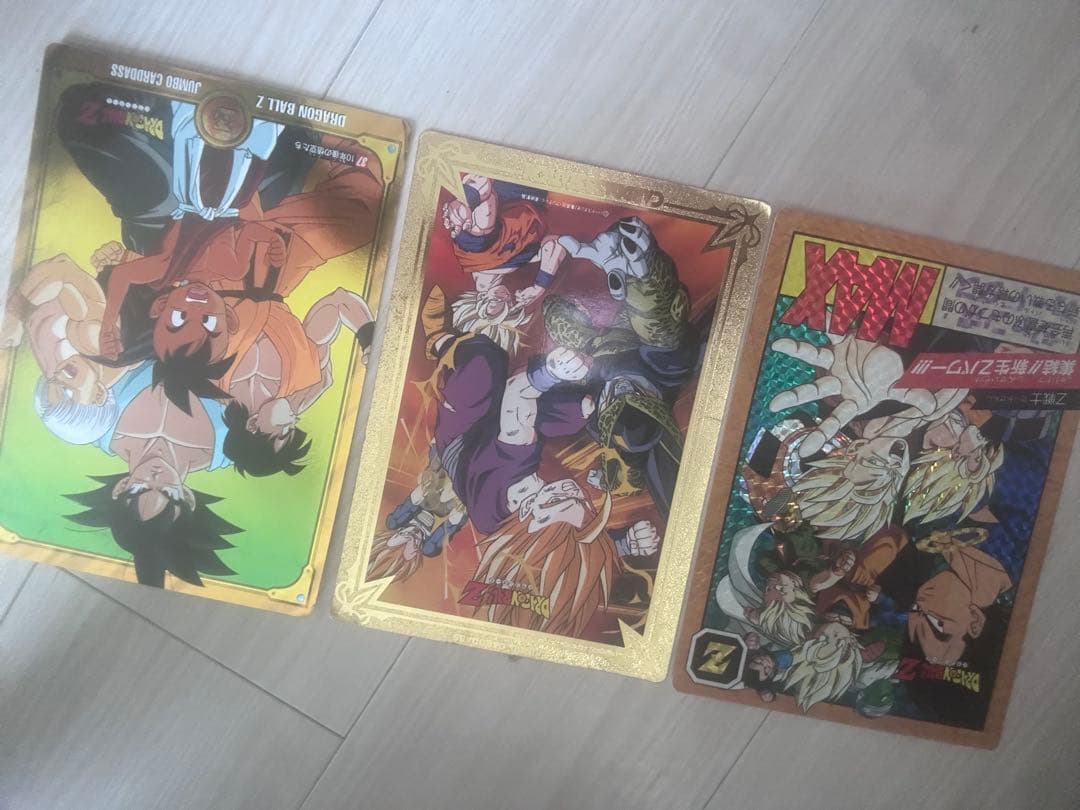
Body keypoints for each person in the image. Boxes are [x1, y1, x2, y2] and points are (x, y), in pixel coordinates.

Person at [420, 285, 660, 636]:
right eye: (578, 500)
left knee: (487, 361)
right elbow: (576, 541)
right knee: (580, 410)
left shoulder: (508, 485)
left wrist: (549, 371)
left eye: (555, 501)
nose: (569, 489)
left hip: (465, 433)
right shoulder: (543, 526)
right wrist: (623, 543)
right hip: (508, 440)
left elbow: (518, 393)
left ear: (530, 516)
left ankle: (437, 340)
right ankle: (608, 383)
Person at [95, 137, 385, 412]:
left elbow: (144, 272)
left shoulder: (199, 366)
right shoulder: (299, 383)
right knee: (361, 218)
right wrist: (369, 338)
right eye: (207, 323)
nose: (195, 309)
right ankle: (315, 143)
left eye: (179, 318)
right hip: (277, 266)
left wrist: (111, 313)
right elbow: (337, 304)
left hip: (229, 238)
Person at [1, 255, 132, 443]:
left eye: (52, 382)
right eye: (68, 392)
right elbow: (62, 269)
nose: (60, 376)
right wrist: (15, 316)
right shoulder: (96, 341)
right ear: (99, 394)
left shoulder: (54, 368)